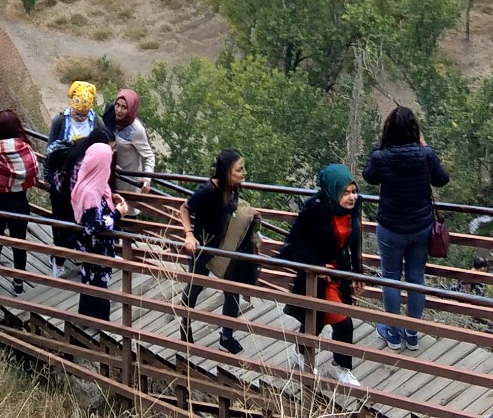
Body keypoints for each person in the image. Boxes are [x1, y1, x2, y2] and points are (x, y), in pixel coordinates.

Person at [363, 105, 449, 350]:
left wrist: (378, 148)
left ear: (389, 130)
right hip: (421, 226)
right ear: (414, 130)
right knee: (415, 278)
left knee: (390, 277)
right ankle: (412, 333)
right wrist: (425, 147)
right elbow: (442, 179)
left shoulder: (381, 156)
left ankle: (392, 331)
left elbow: (369, 176)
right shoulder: (425, 154)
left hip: (391, 227)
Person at [279, 163, 365, 388]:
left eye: (353, 191)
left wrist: (358, 273)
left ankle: (304, 356)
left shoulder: (354, 208)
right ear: (333, 190)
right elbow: (290, 246)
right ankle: (340, 366)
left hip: (339, 273)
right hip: (316, 275)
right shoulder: (314, 209)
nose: (351, 197)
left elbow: (355, 240)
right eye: (345, 192)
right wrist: (317, 265)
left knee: (315, 321)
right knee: (343, 322)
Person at [180, 148, 259, 356]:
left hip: (225, 247)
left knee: (232, 291)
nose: (243, 174)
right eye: (239, 170)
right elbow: (184, 208)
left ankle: (227, 336)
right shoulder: (208, 190)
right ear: (226, 172)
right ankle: (184, 325)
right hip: (203, 245)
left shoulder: (233, 189)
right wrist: (189, 234)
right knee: (196, 286)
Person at [0, 108, 41, 291]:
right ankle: (19, 282)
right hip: (19, 202)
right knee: (19, 242)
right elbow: (34, 173)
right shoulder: (26, 148)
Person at [44, 81, 102, 274]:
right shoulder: (59, 121)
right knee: (60, 216)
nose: (80, 117)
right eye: (77, 113)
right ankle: (57, 254)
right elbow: (50, 151)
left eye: (83, 114)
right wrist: (49, 178)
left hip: (86, 180)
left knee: (82, 216)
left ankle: (77, 248)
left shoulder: (97, 122)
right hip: (62, 180)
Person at [69, 139, 124, 324]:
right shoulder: (91, 193)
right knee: (99, 285)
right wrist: (117, 214)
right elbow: (94, 225)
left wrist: (110, 200)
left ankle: (84, 319)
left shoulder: (87, 183)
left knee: (88, 281)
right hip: (96, 248)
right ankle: (101, 325)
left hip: (88, 249)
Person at [105, 87, 156, 185]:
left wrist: (147, 179)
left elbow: (149, 156)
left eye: (124, 107)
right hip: (109, 177)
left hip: (128, 182)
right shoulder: (110, 117)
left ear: (131, 109)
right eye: (117, 105)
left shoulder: (136, 130)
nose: (119, 110)